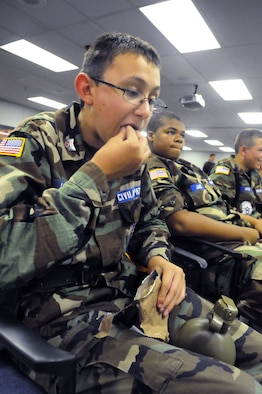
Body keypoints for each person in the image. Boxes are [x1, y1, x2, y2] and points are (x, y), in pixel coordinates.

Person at [0, 33, 262, 394]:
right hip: (58, 318)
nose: (144, 111)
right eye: (132, 91)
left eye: (152, 98)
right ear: (87, 89)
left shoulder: (131, 151)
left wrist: (159, 257)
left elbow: (150, 220)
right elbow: (4, 256)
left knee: (257, 354)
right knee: (238, 389)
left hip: (130, 290)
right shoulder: (31, 142)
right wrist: (97, 174)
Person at [146, 111, 262, 327]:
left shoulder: (189, 168)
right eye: (171, 132)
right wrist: (246, 233)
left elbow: (219, 207)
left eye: (182, 134)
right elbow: (179, 221)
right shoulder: (155, 167)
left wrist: (251, 224)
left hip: (236, 238)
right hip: (220, 252)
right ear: (151, 135)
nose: (179, 138)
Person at [210, 129, 262, 218]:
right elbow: (217, 212)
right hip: (239, 228)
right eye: (261, 150)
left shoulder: (254, 173)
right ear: (243, 150)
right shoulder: (223, 173)